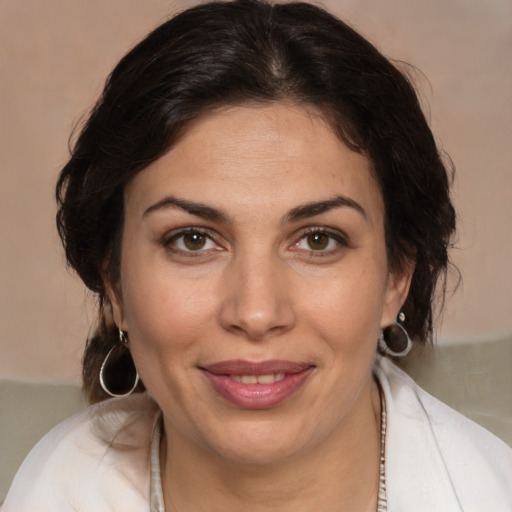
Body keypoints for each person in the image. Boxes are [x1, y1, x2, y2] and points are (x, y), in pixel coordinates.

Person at [3, 1, 511, 511]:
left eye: (318, 240)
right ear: (113, 282)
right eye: (193, 240)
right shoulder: (53, 489)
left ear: (397, 276)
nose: (256, 312)